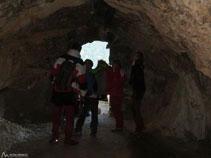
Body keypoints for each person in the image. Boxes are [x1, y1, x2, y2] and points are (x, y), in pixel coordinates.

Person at [49, 43, 87, 145]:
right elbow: (83, 83)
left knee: (56, 116)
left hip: (57, 91)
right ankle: (67, 139)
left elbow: (52, 75)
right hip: (70, 93)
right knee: (70, 118)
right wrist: (82, 96)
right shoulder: (80, 64)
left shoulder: (60, 59)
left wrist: (55, 85)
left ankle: (55, 138)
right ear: (79, 50)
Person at [75, 59, 99, 136]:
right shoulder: (94, 73)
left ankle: (78, 129)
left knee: (83, 113)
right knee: (94, 114)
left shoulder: (86, 73)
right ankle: (93, 131)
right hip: (95, 96)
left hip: (88, 96)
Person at [106, 59, 126, 132]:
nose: (112, 65)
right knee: (116, 111)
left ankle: (119, 126)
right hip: (115, 93)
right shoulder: (116, 71)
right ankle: (119, 125)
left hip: (116, 94)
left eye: (113, 64)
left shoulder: (119, 71)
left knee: (117, 111)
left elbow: (119, 82)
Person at [129, 51, 146, 133]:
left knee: (135, 109)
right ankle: (140, 126)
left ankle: (139, 128)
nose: (133, 56)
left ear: (138, 57)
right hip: (139, 89)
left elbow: (135, 78)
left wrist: (130, 82)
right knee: (136, 108)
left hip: (137, 89)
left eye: (135, 56)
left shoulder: (136, 67)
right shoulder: (139, 66)